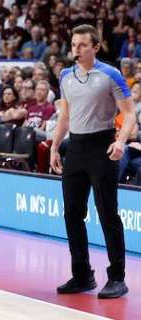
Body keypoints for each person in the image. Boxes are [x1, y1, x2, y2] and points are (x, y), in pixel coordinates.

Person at [50, 24, 136, 299]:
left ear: (95, 47)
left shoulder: (110, 74)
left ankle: (117, 278)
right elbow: (64, 116)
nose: (76, 49)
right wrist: (54, 147)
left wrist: (120, 141)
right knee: (72, 214)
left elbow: (130, 114)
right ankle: (82, 274)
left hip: (103, 146)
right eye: (74, 44)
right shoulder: (65, 76)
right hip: (75, 147)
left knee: (107, 214)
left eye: (83, 44)